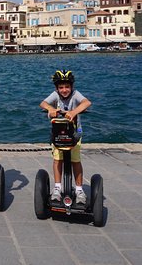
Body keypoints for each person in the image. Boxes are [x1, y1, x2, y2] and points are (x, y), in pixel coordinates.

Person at [39, 69, 92, 205]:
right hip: (58, 135)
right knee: (58, 160)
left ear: (71, 87)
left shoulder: (75, 94)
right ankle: (57, 187)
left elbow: (87, 103)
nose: (64, 90)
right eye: (61, 87)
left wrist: (74, 112)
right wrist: (51, 109)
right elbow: (43, 104)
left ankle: (79, 189)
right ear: (57, 88)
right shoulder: (55, 95)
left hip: (74, 134)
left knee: (75, 160)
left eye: (67, 87)